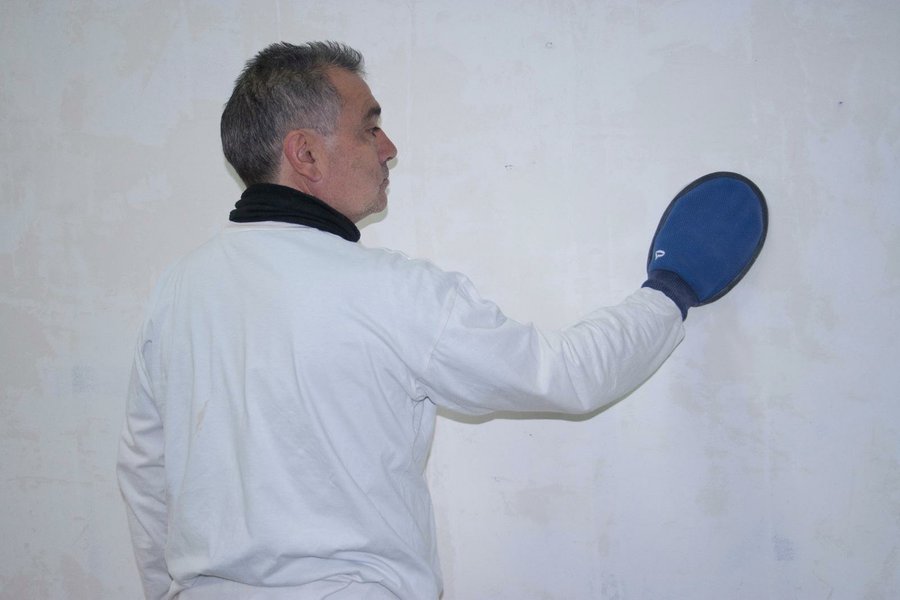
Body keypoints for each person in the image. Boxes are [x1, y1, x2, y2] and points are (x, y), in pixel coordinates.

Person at [117, 41, 767, 600]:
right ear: (305, 154)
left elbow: (145, 474)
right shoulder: (391, 291)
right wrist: (671, 290)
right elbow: (565, 376)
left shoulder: (176, 292)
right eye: (370, 127)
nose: (389, 147)